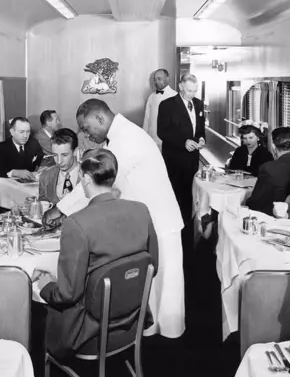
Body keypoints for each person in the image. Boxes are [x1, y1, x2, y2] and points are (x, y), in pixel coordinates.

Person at [43, 99, 185, 339]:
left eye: (86, 127)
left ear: (100, 118)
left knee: (164, 288)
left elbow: (96, 181)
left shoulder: (127, 138)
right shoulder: (121, 135)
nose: (85, 133)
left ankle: (165, 343)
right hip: (142, 219)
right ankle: (147, 333)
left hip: (159, 219)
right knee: (150, 284)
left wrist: (60, 209)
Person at [32, 149, 158, 358]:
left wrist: (45, 286)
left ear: (87, 179)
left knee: (36, 303)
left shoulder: (76, 223)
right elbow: (151, 267)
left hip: (89, 332)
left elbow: (67, 294)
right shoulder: (141, 210)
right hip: (134, 320)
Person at [157, 73, 206, 220]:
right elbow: (162, 132)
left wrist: (202, 139)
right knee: (176, 195)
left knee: (189, 194)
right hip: (174, 160)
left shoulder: (199, 104)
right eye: (189, 91)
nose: (192, 94)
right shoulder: (167, 105)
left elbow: (201, 128)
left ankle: (188, 227)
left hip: (192, 159)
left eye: (194, 91)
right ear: (180, 87)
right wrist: (183, 142)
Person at [246, 127, 290, 215]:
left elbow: (256, 200)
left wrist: (246, 202)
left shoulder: (267, 168)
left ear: (273, 146)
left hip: (272, 214)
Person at [39, 128, 82, 205]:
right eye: (55, 155)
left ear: (75, 151)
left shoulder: (90, 175)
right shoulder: (45, 177)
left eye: (64, 155)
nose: (59, 161)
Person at [143, 68, 177, 150]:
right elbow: (147, 118)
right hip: (152, 140)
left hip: (169, 142)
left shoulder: (175, 96)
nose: (156, 82)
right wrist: (144, 137)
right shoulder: (151, 97)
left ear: (167, 79)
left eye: (159, 79)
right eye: (155, 79)